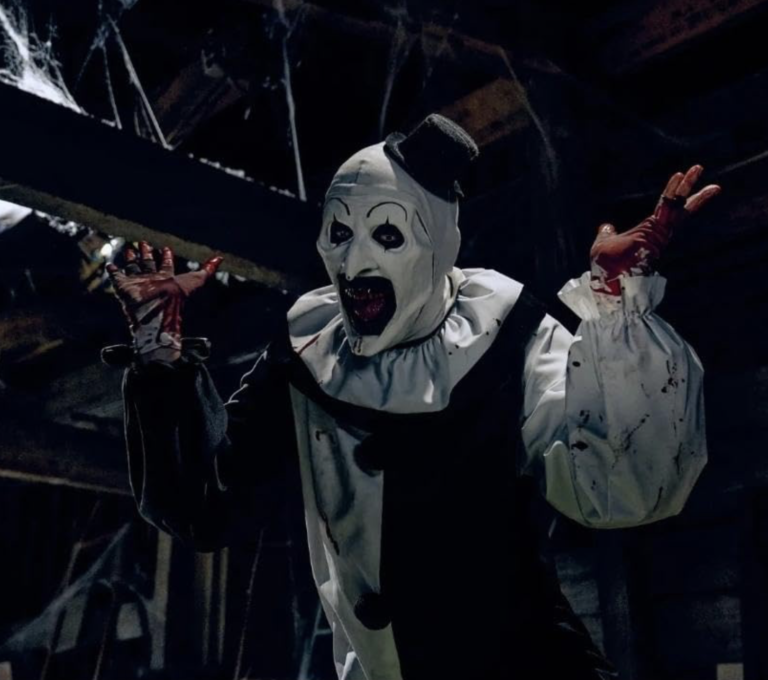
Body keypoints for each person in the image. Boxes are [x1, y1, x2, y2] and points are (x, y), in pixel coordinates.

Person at [105, 115, 719, 680]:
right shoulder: (308, 352)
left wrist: (615, 302)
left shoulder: (506, 336)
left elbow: (622, 485)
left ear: (437, 242)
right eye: (340, 232)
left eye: (387, 233)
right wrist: (159, 354)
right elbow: (209, 504)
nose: (355, 261)